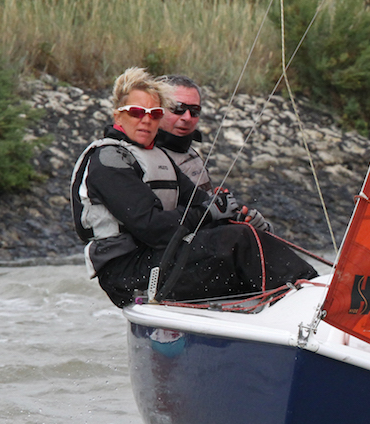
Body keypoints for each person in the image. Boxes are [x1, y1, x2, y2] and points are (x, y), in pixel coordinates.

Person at [70, 67, 316, 307]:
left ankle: (297, 301)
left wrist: (237, 215)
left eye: (154, 114)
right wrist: (210, 212)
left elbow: (199, 201)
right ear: (118, 115)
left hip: (158, 258)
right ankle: (313, 300)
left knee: (244, 236)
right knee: (237, 241)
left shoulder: (158, 157)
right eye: (136, 112)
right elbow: (152, 227)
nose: (146, 120)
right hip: (127, 273)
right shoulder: (108, 160)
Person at [154, 75, 212, 192]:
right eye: (178, 108)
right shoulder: (136, 158)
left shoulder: (192, 154)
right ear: (157, 109)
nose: (187, 117)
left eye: (194, 110)